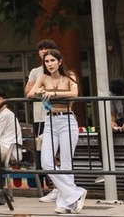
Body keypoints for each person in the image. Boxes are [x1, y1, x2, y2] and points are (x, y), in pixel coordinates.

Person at [31, 49, 87, 214]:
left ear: (60, 61)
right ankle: (75, 193)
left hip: (67, 120)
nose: (49, 64)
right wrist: (39, 91)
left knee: (66, 162)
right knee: (47, 162)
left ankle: (65, 204)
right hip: (50, 120)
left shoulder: (70, 75)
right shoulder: (43, 77)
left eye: (52, 61)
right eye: (47, 61)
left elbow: (74, 94)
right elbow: (30, 92)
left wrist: (52, 93)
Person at [26, 39, 58, 202]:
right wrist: (38, 90)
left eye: (48, 49)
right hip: (39, 117)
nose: (44, 51)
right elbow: (28, 91)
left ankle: (58, 187)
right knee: (41, 153)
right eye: (41, 49)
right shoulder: (35, 71)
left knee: (55, 153)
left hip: (57, 115)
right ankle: (49, 188)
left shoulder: (59, 70)